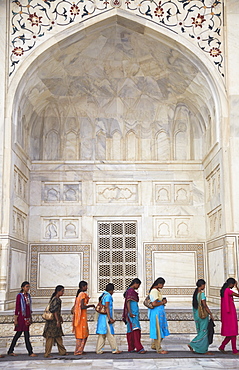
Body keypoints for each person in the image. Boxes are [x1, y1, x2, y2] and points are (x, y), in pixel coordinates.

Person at [8, 281, 37, 357]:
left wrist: (30, 317)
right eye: (26, 287)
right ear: (22, 287)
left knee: (24, 334)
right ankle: (30, 352)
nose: (28, 288)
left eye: (28, 287)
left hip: (26, 317)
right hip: (21, 317)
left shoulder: (28, 296)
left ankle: (11, 350)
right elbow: (17, 307)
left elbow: (28, 307)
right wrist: (16, 319)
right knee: (21, 334)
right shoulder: (19, 296)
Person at [188, 279, 214, 354]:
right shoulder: (201, 294)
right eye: (204, 285)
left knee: (200, 331)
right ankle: (194, 344)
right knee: (204, 332)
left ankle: (200, 348)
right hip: (202, 316)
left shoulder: (195, 294)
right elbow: (204, 305)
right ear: (202, 285)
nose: (204, 286)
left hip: (197, 315)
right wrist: (210, 313)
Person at [96, 283, 122, 354]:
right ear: (111, 290)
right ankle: (115, 349)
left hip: (102, 317)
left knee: (102, 334)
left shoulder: (103, 295)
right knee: (110, 334)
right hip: (106, 318)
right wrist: (110, 318)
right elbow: (107, 307)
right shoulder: (108, 296)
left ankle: (99, 349)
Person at [122, 278, 146, 354]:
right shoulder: (130, 291)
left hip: (132, 314)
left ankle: (131, 347)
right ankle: (139, 348)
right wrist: (130, 312)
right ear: (135, 283)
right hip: (132, 314)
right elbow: (128, 302)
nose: (138, 287)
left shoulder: (130, 291)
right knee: (136, 330)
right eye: (138, 285)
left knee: (130, 330)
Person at [43, 285, 67, 358]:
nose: (63, 293)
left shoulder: (55, 299)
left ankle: (62, 351)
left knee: (58, 336)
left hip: (54, 320)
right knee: (50, 337)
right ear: (58, 291)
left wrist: (60, 318)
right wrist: (57, 321)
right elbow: (54, 311)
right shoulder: (56, 300)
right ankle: (47, 353)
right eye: (62, 291)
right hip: (52, 322)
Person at [72, 281, 95, 355]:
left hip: (80, 317)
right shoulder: (82, 294)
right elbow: (82, 306)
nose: (87, 287)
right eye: (86, 286)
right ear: (83, 286)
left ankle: (79, 350)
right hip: (81, 318)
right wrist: (90, 306)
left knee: (82, 334)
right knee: (82, 335)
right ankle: (78, 350)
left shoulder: (79, 294)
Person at [148, 277, 170, 354]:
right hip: (156, 313)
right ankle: (159, 349)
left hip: (159, 313)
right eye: (162, 284)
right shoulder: (154, 291)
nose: (163, 286)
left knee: (161, 330)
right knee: (158, 331)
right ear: (159, 284)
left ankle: (154, 345)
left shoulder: (157, 291)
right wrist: (162, 302)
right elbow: (154, 303)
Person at [219, 277, 239, 354]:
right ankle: (234, 350)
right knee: (233, 332)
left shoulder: (224, 290)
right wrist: (237, 287)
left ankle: (222, 346)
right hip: (230, 314)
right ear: (231, 284)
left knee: (230, 333)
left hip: (227, 314)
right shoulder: (228, 291)